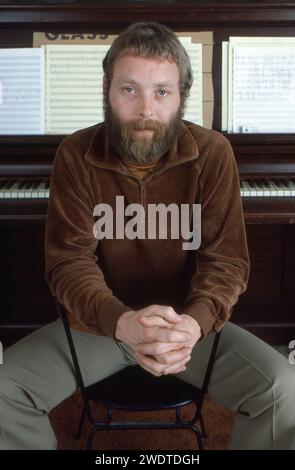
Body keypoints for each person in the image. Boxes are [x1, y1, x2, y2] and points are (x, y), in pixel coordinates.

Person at [0, 22, 294, 450]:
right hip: (99, 326)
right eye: (129, 89)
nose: (145, 110)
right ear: (107, 90)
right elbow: (68, 263)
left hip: (188, 331)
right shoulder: (75, 155)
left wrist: (192, 324)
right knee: (5, 391)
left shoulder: (212, 153)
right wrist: (121, 322)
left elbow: (226, 262)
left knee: (282, 391)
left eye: (161, 92)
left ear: (181, 98)